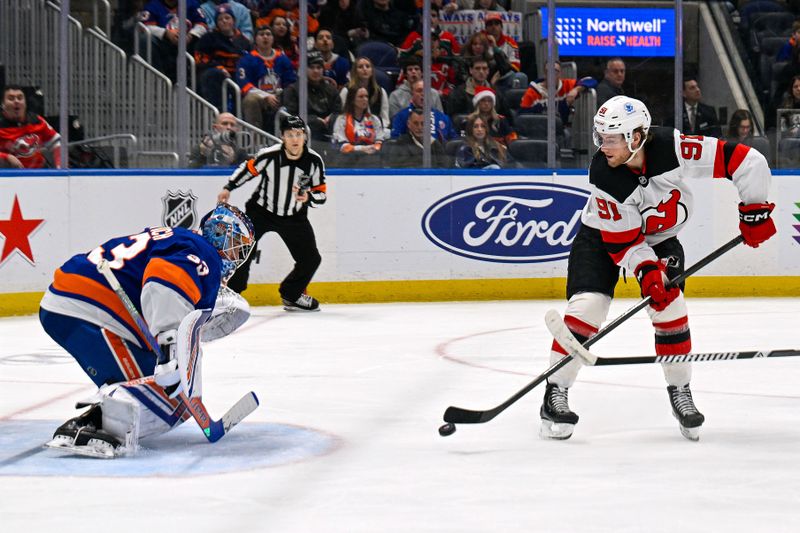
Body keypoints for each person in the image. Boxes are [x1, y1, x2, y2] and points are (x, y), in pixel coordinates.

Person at [540, 95, 776, 442]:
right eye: (601, 137)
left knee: (671, 306)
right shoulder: (605, 175)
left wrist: (755, 208)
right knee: (587, 308)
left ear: (637, 137)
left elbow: (746, 161)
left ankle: (680, 391)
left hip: (660, 239)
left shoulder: (675, 148)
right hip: (602, 239)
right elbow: (623, 244)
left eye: (613, 138)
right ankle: (555, 392)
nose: (604, 146)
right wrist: (647, 270)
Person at [39, 203, 255, 457]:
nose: (237, 256)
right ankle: (93, 427)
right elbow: (164, 278)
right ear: (220, 233)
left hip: (76, 298)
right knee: (169, 400)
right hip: (91, 304)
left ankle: (94, 419)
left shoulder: (184, 241)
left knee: (160, 385)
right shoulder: (205, 251)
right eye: (236, 246)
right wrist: (170, 344)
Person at [217, 115, 327, 311]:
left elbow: (321, 194)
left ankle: (291, 294)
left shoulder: (314, 161)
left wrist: (309, 197)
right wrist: (229, 187)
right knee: (243, 253)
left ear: (305, 137)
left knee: (311, 259)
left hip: (295, 216)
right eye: (290, 135)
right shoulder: (269, 155)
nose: (295, 139)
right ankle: (232, 298)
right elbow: (248, 170)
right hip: (261, 212)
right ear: (282, 136)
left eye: (299, 134)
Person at [236, 25, 297, 132]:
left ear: (273, 38)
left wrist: (280, 95)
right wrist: (265, 96)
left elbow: (291, 82)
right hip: (258, 98)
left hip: (279, 96)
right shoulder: (247, 60)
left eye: (268, 34)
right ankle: (256, 139)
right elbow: (244, 84)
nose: (265, 37)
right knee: (250, 100)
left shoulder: (282, 59)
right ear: (255, 39)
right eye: (261, 34)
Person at [193, 3, 252, 111]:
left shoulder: (243, 41)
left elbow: (249, 61)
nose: (224, 21)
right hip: (214, 75)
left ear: (233, 21)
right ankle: (217, 112)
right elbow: (200, 59)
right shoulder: (208, 38)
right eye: (220, 19)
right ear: (216, 23)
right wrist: (219, 68)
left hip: (237, 76)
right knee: (212, 75)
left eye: (227, 18)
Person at [138, 0, 209, 82]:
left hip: (188, 45)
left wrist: (190, 35)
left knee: (207, 39)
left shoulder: (192, 3)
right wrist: (166, 33)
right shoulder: (152, 6)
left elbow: (203, 25)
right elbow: (145, 27)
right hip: (164, 46)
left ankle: (197, 79)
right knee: (144, 39)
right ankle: (157, 78)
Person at [282, 51, 343, 141]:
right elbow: (290, 116)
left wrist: (331, 118)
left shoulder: (331, 90)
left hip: (329, 134)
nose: (316, 71)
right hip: (302, 136)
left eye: (319, 67)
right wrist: (314, 120)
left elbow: (338, 111)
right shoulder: (293, 90)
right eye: (311, 67)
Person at [519, 60, 597, 126]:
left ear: (560, 74)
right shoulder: (532, 91)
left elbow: (591, 80)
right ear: (544, 74)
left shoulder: (566, 85)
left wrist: (576, 90)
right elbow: (522, 115)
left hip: (560, 128)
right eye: (548, 71)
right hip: (539, 127)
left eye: (555, 72)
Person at [0, 85, 61, 168]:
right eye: (11, 98)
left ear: (25, 103)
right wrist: (6, 157)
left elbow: (56, 143)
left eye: (20, 98)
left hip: (40, 175)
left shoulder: (37, 121)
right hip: (9, 176)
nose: (16, 101)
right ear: (3, 105)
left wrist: (60, 167)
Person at [332, 86, 387, 167]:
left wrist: (374, 148)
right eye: (361, 97)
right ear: (352, 100)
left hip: (372, 158)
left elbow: (380, 141)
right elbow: (342, 146)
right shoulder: (342, 120)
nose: (365, 99)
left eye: (366, 96)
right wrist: (361, 149)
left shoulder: (374, 119)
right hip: (348, 160)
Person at [391, 80, 457, 142]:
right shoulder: (401, 116)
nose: (423, 94)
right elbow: (396, 141)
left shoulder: (443, 117)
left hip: (438, 152)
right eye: (419, 91)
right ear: (412, 94)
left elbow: (454, 142)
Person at [382, 107, 448, 168]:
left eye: (423, 123)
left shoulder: (435, 143)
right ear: (408, 124)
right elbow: (398, 167)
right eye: (416, 123)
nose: (419, 127)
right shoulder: (401, 143)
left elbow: (443, 167)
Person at [339, 56, 390, 128]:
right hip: (351, 128)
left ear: (372, 71)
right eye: (360, 67)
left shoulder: (380, 92)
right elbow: (341, 116)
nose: (364, 69)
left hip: (376, 129)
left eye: (368, 66)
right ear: (355, 71)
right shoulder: (346, 91)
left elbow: (385, 119)